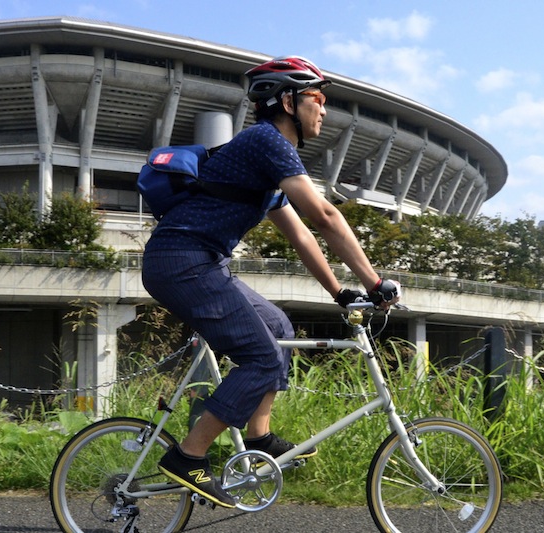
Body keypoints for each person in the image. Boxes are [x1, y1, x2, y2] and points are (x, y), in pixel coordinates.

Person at [142, 56, 401, 508]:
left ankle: (258, 437)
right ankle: (188, 456)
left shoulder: (267, 159)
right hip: (181, 262)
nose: (324, 110)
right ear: (286, 100)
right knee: (260, 359)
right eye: (317, 99)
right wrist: (375, 281)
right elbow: (323, 215)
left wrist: (340, 293)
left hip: (203, 262)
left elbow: (300, 234)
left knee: (278, 327)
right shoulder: (266, 139)